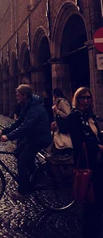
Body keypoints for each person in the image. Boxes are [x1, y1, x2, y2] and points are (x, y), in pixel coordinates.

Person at [1, 84, 52, 198]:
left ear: (24, 95)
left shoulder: (35, 108)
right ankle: (35, 174)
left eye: (18, 95)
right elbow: (19, 122)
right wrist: (4, 130)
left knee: (22, 161)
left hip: (40, 138)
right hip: (32, 136)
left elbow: (25, 126)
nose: (16, 97)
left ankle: (23, 190)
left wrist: (8, 136)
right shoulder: (27, 105)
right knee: (18, 152)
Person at [66, 87, 103, 237]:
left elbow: (95, 135)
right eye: (82, 98)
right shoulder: (75, 117)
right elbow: (79, 141)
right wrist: (98, 146)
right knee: (91, 203)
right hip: (87, 164)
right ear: (77, 99)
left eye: (88, 98)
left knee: (98, 201)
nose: (86, 100)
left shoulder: (90, 116)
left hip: (98, 162)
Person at [49, 87, 72, 154]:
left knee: (64, 143)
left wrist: (57, 111)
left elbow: (68, 115)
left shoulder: (62, 102)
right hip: (58, 128)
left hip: (63, 127)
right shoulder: (57, 103)